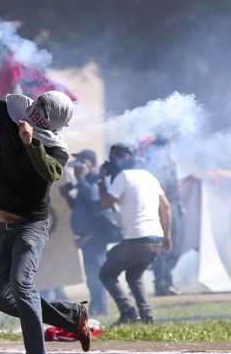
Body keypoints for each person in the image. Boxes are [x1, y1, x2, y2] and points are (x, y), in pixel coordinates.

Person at [0, 10, 90, 354]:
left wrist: (32, 143)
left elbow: (49, 173)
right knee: (2, 299)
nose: (35, 113)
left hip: (30, 228)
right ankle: (70, 318)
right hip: (0, 226)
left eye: (43, 113)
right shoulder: (13, 114)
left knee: (23, 286)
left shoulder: (56, 149)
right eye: (38, 106)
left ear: (51, 122)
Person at [98, 143, 172, 324]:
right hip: (155, 240)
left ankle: (128, 311)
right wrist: (167, 236)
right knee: (134, 276)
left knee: (106, 273)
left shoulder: (124, 176)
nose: (112, 160)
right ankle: (147, 316)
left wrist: (100, 180)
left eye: (115, 156)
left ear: (125, 157)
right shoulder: (150, 177)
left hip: (136, 240)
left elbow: (107, 202)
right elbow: (167, 207)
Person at [59, 149, 115, 316]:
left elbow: (93, 198)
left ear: (90, 163)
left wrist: (80, 178)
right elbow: (80, 206)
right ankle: (97, 305)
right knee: (91, 275)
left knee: (98, 273)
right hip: (86, 238)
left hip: (96, 237)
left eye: (82, 161)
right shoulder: (84, 181)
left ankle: (102, 307)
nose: (79, 165)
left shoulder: (97, 180)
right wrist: (67, 194)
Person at [142, 134, 185, 296]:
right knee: (162, 246)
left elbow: (174, 183)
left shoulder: (170, 161)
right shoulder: (154, 165)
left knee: (175, 247)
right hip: (161, 206)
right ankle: (161, 283)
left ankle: (166, 279)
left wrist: (180, 204)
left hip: (172, 205)